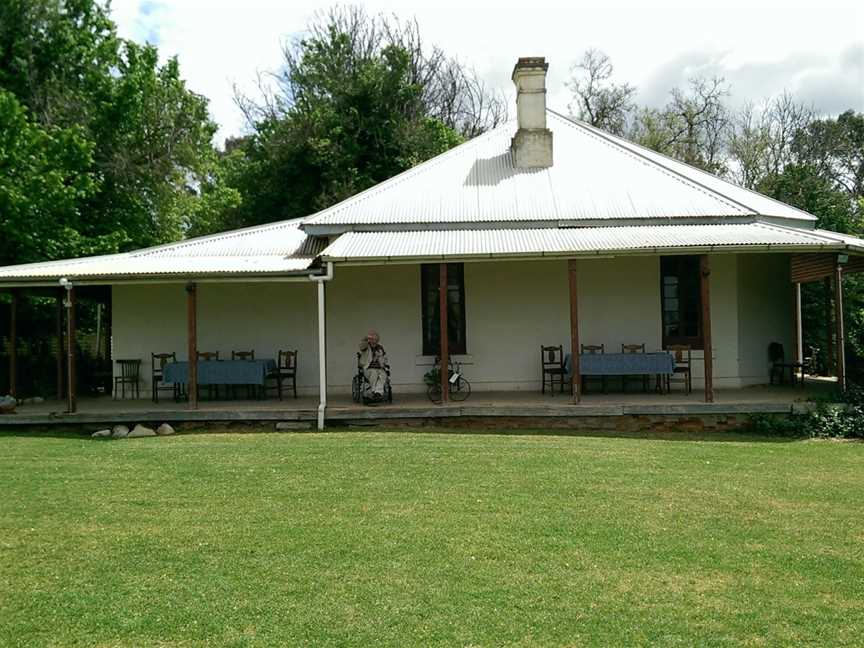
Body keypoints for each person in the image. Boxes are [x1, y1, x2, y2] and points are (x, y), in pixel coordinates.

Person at [359, 330, 388, 400]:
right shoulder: (366, 346)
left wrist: (380, 357)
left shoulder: (380, 347)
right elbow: (362, 346)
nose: (374, 340)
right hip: (368, 369)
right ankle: (374, 391)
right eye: (372, 339)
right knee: (374, 373)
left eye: (375, 339)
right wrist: (366, 338)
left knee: (383, 375)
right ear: (370, 339)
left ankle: (377, 393)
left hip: (379, 368)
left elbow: (384, 359)